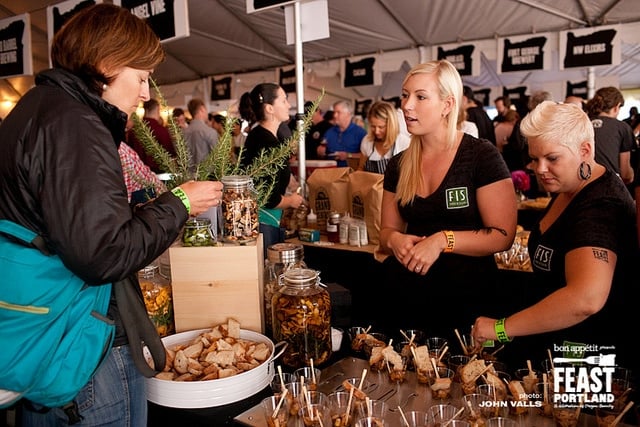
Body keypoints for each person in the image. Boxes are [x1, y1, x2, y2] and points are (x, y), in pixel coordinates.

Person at [0, 4, 223, 425]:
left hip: (44, 338)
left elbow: (65, 222)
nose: (144, 93)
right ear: (105, 64)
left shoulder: (36, 109)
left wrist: (138, 211)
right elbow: (103, 254)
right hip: (82, 350)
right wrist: (180, 204)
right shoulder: (76, 124)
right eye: (140, 78)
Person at [472, 101, 639, 375]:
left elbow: (586, 298)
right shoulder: (571, 186)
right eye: (534, 158)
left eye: (552, 158)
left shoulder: (601, 205)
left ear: (585, 150)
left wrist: (503, 328)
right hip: (555, 346)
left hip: (585, 358)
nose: (539, 168)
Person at [377, 60, 517, 338]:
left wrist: (442, 240)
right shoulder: (398, 164)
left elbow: (503, 235)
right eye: (405, 95)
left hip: (468, 300)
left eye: (420, 97)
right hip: (409, 299)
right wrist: (396, 240)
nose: (406, 105)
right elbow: (386, 233)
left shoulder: (480, 156)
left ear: (447, 104)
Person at [238, 83, 305, 254]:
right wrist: (291, 201)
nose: (289, 105)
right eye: (283, 101)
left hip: (263, 220)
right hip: (263, 222)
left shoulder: (260, 136)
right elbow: (268, 196)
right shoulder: (267, 142)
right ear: (269, 108)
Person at [586, 86, 635, 185]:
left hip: (582, 185)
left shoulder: (582, 124)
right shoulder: (622, 127)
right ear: (617, 107)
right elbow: (626, 175)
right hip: (609, 186)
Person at [357, 100, 410, 174]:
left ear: (391, 125)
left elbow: (410, 174)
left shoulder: (404, 143)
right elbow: (361, 168)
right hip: (371, 185)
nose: (376, 131)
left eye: (381, 127)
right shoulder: (367, 141)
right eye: (373, 126)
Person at [127, 98, 174, 172]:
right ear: (157, 109)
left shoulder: (133, 130)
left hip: (138, 172)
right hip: (158, 173)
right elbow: (169, 153)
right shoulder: (160, 130)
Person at [317, 100, 367, 167]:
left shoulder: (360, 133)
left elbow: (366, 155)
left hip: (350, 173)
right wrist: (320, 151)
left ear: (348, 114)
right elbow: (322, 151)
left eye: (338, 112)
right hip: (329, 172)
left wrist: (348, 155)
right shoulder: (329, 132)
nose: (334, 115)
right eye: (334, 112)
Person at [184, 98, 219, 170]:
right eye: (206, 109)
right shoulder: (210, 132)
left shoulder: (183, 133)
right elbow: (217, 158)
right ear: (202, 109)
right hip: (207, 177)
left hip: (188, 178)